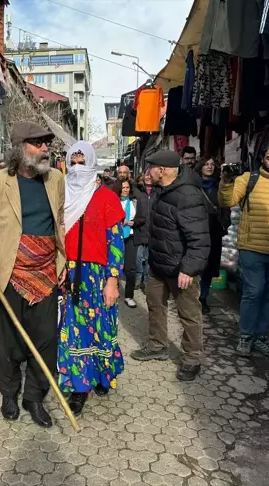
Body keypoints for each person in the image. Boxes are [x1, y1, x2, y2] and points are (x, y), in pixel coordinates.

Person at [0, 122, 66, 428]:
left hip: (46, 274)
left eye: (46, 143)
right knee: (4, 343)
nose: (45, 148)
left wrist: (65, 262)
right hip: (5, 275)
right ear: (19, 149)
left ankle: (33, 397)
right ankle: (8, 393)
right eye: (37, 143)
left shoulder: (56, 179)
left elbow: (60, 221)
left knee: (46, 340)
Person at [130, 150, 210, 382]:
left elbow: (199, 239)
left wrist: (189, 268)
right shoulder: (161, 191)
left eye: (150, 168)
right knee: (155, 305)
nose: (147, 173)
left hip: (181, 269)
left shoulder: (187, 195)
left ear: (162, 170)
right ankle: (157, 346)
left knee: (189, 314)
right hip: (159, 265)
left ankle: (192, 357)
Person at [59, 141, 125, 417]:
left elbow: (116, 241)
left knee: (100, 326)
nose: (77, 168)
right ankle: (79, 384)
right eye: (73, 162)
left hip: (97, 276)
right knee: (73, 328)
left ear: (92, 163)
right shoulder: (61, 196)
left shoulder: (107, 198)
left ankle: (100, 375)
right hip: (68, 273)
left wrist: (112, 279)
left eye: (82, 162)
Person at [219, 140, 269, 358]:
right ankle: (245, 335)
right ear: (262, 158)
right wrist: (225, 181)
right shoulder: (248, 179)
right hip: (252, 248)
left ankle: (261, 336)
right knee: (253, 292)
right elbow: (227, 201)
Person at [196, 157, 230, 313]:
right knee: (196, 266)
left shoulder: (219, 185)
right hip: (196, 229)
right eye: (206, 164)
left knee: (209, 267)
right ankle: (193, 297)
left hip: (214, 230)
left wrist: (225, 222)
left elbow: (226, 205)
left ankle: (203, 297)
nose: (209, 167)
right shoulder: (194, 185)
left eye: (211, 164)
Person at [113, 179, 148, 308]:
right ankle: (113, 290)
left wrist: (133, 223)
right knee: (114, 265)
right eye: (123, 187)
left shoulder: (135, 201)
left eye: (127, 187)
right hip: (116, 237)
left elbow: (143, 218)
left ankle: (129, 296)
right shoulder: (113, 201)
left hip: (131, 237)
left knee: (130, 268)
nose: (125, 190)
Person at [135, 170, 155, 292]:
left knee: (148, 259)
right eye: (146, 175)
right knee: (138, 257)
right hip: (139, 229)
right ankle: (138, 277)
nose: (148, 177)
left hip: (153, 231)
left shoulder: (158, 192)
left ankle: (146, 281)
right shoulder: (137, 192)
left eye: (150, 175)